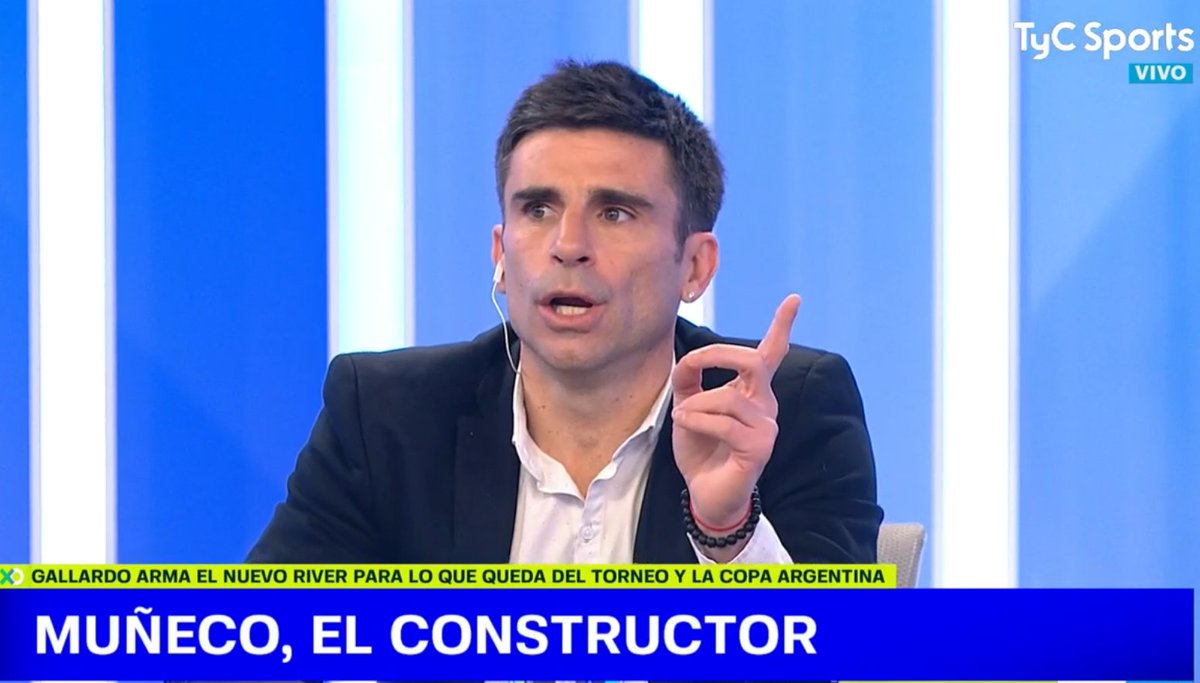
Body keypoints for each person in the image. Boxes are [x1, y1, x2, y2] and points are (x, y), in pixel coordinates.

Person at [248, 60, 882, 568]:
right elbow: (256, 641)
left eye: (615, 213)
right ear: (501, 253)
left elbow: (840, 654)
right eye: (538, 209)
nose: (568, 244)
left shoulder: (781, 413)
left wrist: (726, 529)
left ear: (695, 266)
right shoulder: (388, 415)